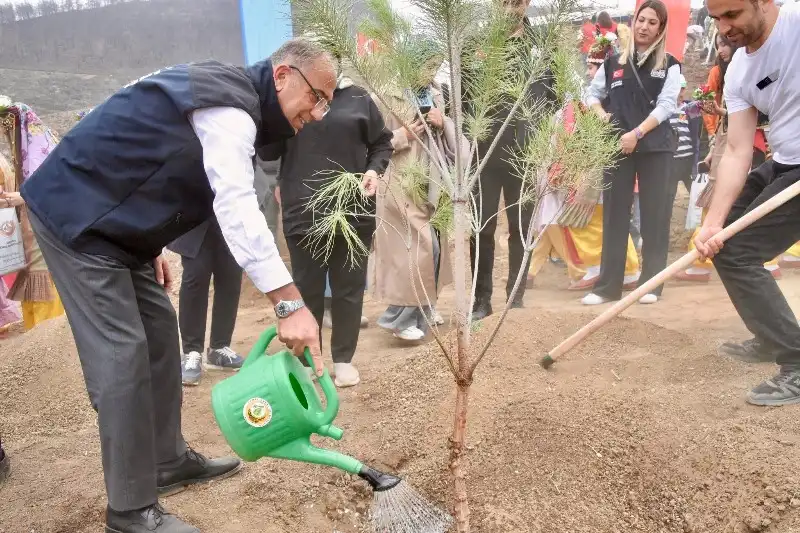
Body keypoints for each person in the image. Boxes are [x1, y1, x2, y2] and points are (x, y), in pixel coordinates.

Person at [14, 38, 334, 533]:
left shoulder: (231, 101)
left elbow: (149, 162)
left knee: (162, 338)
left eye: (326, 103)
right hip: (76, 218)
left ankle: (166, 461)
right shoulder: (230, 107)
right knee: (122, 356)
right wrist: (288, 302)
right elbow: (236, 205)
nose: (316, 113)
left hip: (118, 230)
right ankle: (129, 510)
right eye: (316, 97)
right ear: (283, 76)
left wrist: (152, 244)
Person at [696, 0, 800, 406]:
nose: (724, 28)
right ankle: (772, 335)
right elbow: (738, 151)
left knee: (740, 253)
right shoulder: (739, 68)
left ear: (763, 2)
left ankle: (796, 361)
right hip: (783, 163)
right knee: (723, 242)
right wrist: (712, 223)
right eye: (716, 18)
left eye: (733, 15)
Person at [272, 68, 393, 388]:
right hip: (304, 211)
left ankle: (343, 360)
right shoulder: (292, 96)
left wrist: (373, 170)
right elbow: (269, 150)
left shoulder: (358, 97)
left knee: (349, 288)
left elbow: (382, 142)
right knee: (306, 289)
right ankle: (308, 361)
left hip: (353, 210)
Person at [582, 0, 681, 306]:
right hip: (617, 146)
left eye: (652, 22)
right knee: (614, 214)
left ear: (660, 28)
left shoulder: (670, 64)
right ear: (633, 21)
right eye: (641, 20)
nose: (644, 27)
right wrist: (601, 116)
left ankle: (651, 285)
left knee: (654, 215)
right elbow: (592, 95)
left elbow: (667, 106)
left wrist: (637, 133)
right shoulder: (613, 62)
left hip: (655, 147)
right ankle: (607, 286)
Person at [466, 0, 558, 320]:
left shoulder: (542, 44)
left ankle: (515, 298)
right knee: (481, 229)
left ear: (526, 3)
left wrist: (535, 132)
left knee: (521, 229)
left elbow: (553, 95)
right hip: (485, 154)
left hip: (524, 154)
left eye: (516, 2)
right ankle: (481, 300)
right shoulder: (476, 45)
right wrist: (473, 132)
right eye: (503, 2)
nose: (509, 8)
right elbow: (463, 97)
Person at [372, 43, 464, 341]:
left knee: (432, 248)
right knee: (415, 250)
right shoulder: (385, 94)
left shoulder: (436, 93)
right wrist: (403, 135)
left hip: (432, 181)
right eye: (428, 65)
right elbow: (372, 142)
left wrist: (442, 121)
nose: (431, 72)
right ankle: (397, 320)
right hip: (400, 181)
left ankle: (424, 307)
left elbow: (449, 136)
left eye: (436, 66)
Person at [0, 103, 65, 330]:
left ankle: (49, 333)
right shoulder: (23, 156)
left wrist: (20, 198)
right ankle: (36, 333)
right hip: (30, 228)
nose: (7, 137)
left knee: (44, 285)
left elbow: (53, 191)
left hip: (44, 230)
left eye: (8, 130)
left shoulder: (40, 152)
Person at [168, 216, 245, 386]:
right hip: (195, 218)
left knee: (231, 276)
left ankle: (219, 347)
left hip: (230, 216)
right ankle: (191, 351)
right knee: (196, 276)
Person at [666, 75, 703, 217]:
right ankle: (665, 220)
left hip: (688, 160)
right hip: (671, 160)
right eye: (678, 89)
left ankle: (698, 219)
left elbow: (698, 132)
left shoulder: (689, 109)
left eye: (683, 89)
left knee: (695, 192)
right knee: (668, 194)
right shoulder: (665, 110)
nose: (681, 93)